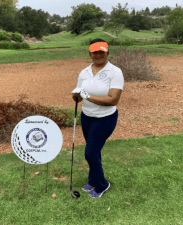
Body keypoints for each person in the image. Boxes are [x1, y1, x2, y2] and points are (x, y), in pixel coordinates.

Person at [72, 38, 124, 198]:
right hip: (87, 117)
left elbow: (112, 100)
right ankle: (92, 179)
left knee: (90, 153)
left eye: (101, 51)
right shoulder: (84, 72)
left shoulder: (115, 72)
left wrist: (86, 95)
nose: (98, 55)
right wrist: (76, 96)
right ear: (90, 53)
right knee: (94, 150)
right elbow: (79, 95)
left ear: (107, 52)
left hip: (105, 118)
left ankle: (102, 184)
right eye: (95, 52)